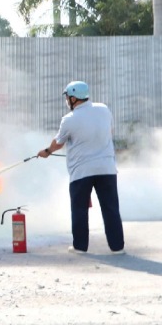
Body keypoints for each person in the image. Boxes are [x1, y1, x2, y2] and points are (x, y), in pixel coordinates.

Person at [38, 81, 124, 255]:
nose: (67, 102)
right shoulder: (103, 109)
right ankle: (117, 247)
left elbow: (58, 143)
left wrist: (47, 151)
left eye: (67, 98)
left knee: (79, 209)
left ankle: (80, 246)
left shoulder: (69, 119)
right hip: (107, 169)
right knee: (111, 208)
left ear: (73, 97)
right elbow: (108, 132)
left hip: (82, 172)